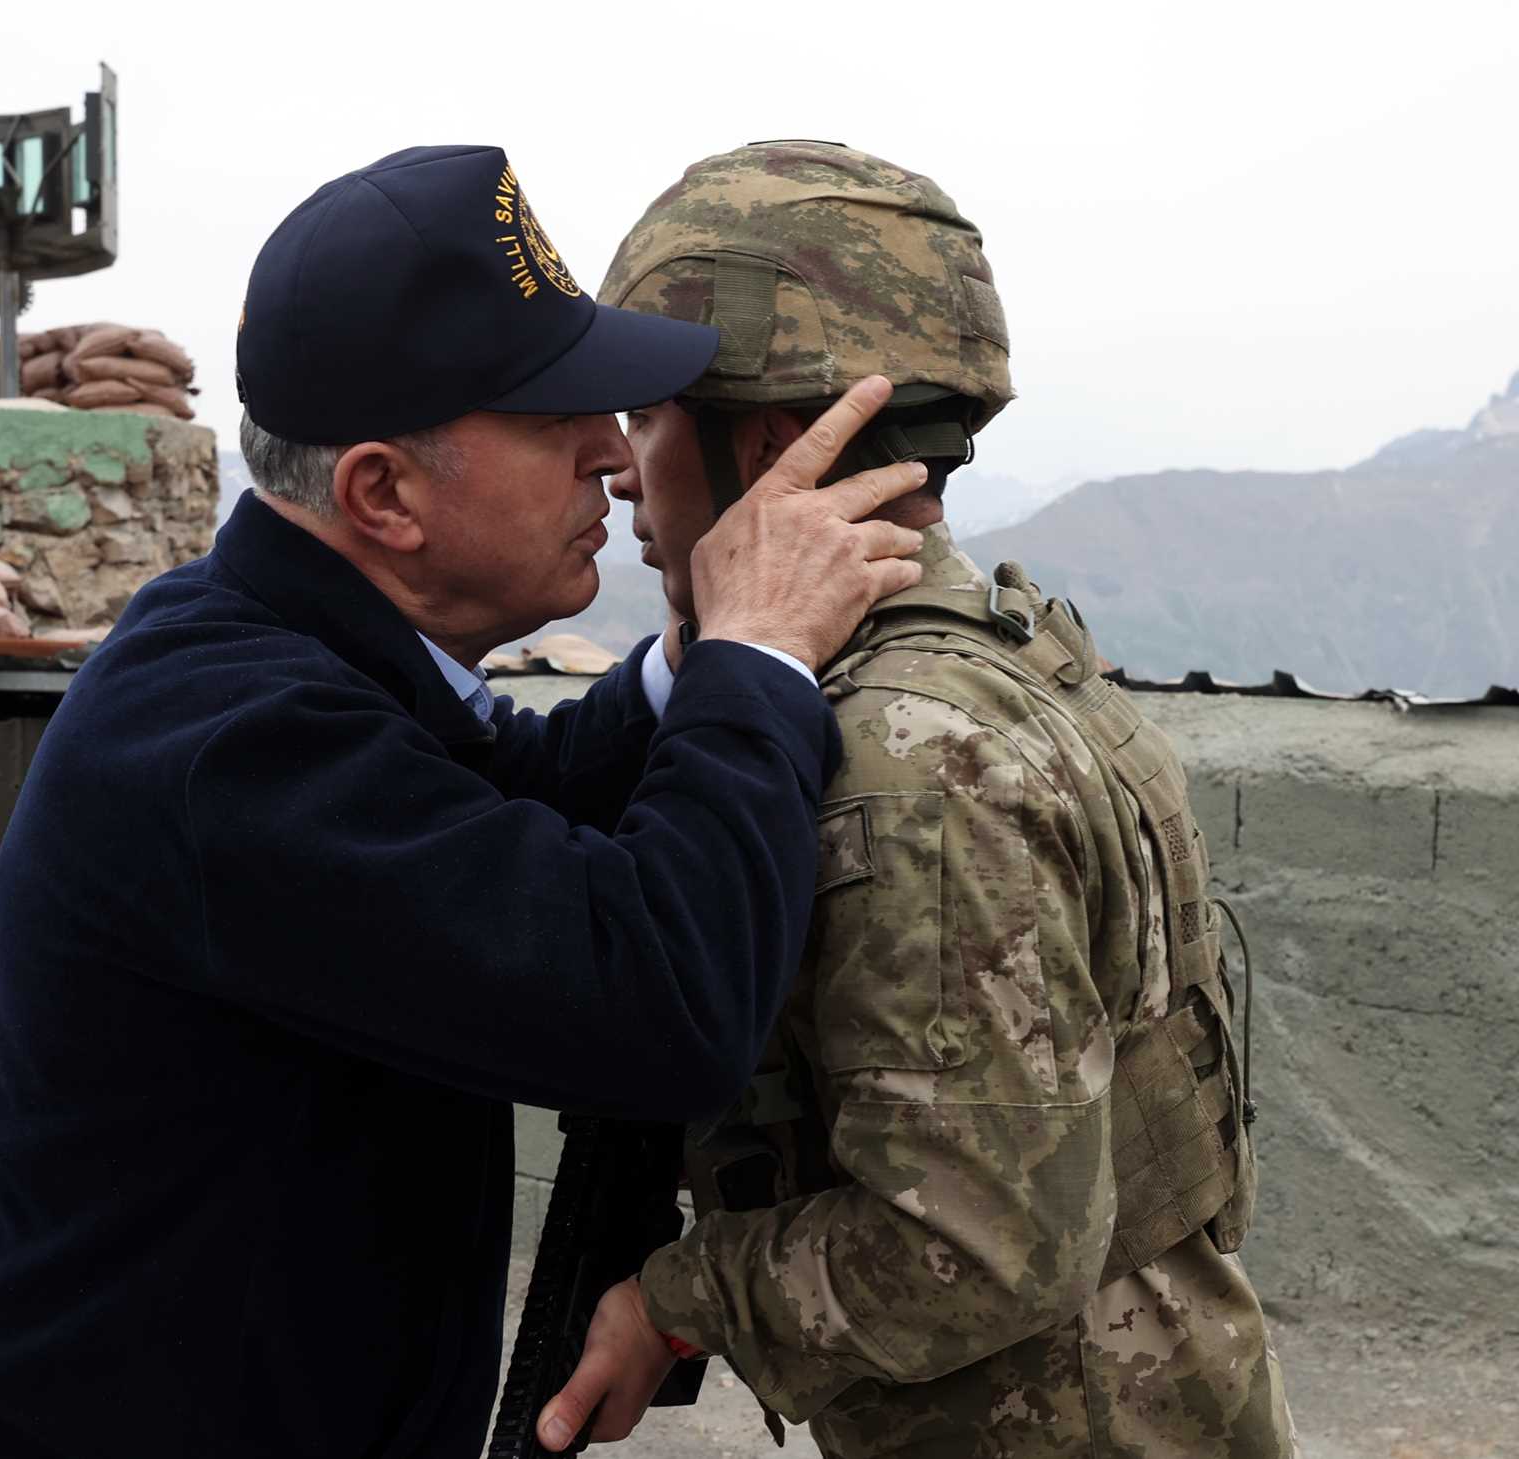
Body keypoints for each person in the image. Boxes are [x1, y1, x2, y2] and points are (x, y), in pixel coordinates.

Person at [0, 144, 936, 1459]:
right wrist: (760, 656)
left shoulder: (283, 644)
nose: (613, 459)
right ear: (383, 493)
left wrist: (692, 654)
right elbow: (662, 1002)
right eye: (557, 418)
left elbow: (511, 796)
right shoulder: (232, 743)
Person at [537, 141, 1296, 1458]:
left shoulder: (904, 754)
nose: (616, 465)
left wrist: (672, 1306)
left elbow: (976, 1246)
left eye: (647, 417)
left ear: (772, 445)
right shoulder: (998, 650)